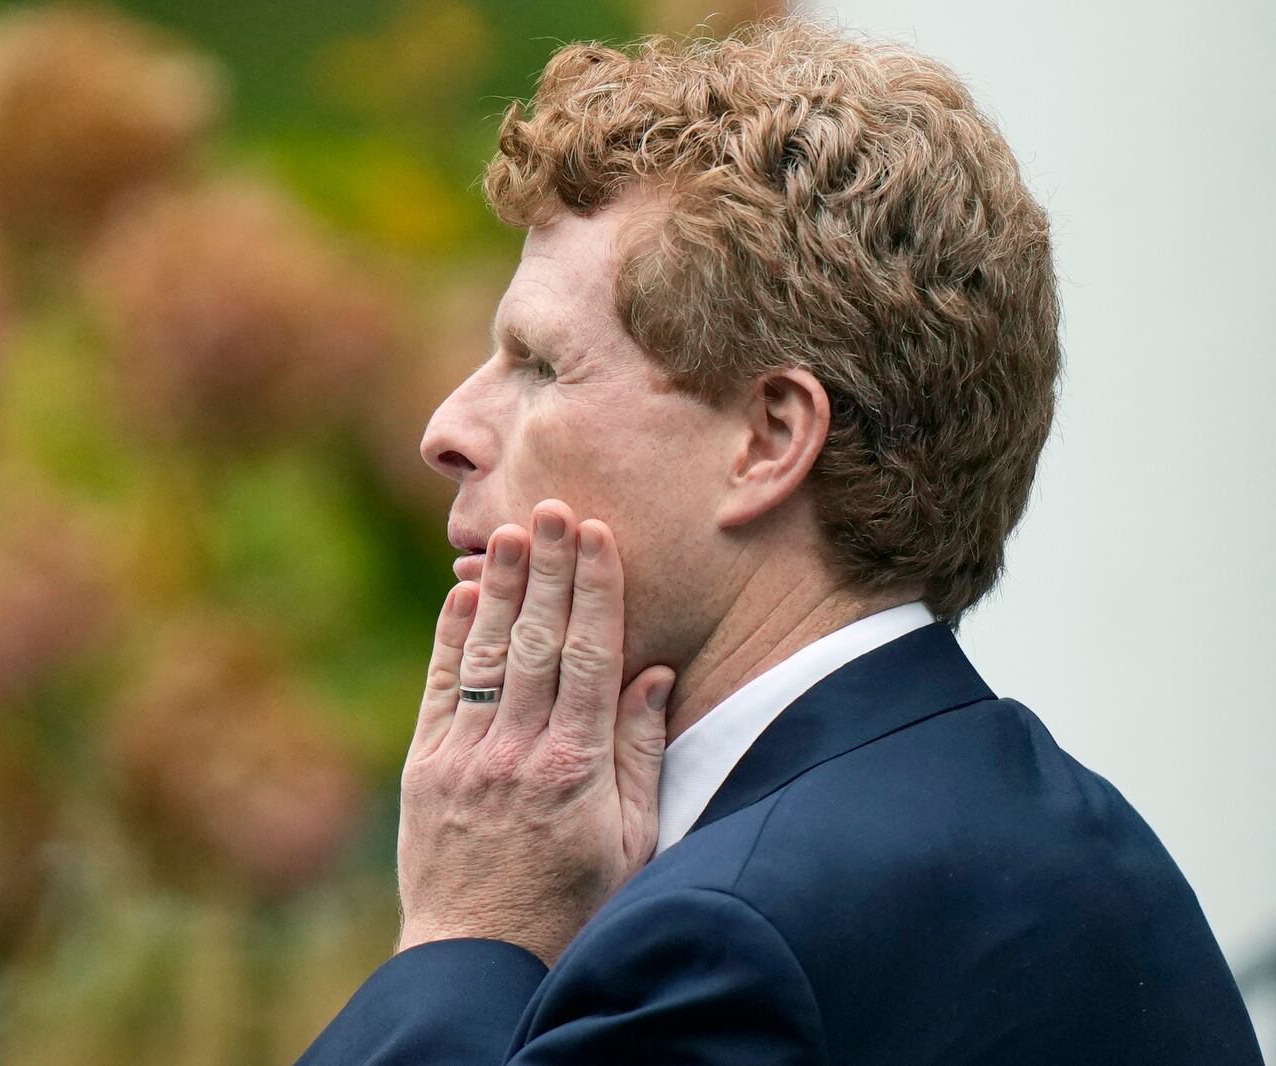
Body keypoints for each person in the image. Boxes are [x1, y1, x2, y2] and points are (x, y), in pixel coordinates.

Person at [298, 18, 1262, 1064]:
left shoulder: (729, 936)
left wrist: (464, 932)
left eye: (538, 366)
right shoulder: (1073, 831)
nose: (446, 429)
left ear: (767, 440)